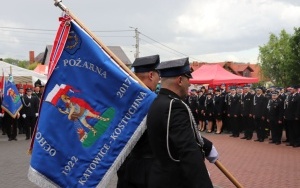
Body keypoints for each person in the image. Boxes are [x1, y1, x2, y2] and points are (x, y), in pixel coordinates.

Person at [147, 58, 218, 188]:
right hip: (176, 180)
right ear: (180, 80)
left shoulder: (158, 102)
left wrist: (206, 145)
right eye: (188, 80)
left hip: (160, 176)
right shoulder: (174, 106)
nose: (189, 85)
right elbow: (187, 149)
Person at [117, 55, 160, 188]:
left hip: (125, 166)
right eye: (159, 76)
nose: (159, 80)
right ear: (151, 75)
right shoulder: (152, 101)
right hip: (146, 170)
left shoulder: (122, 98)